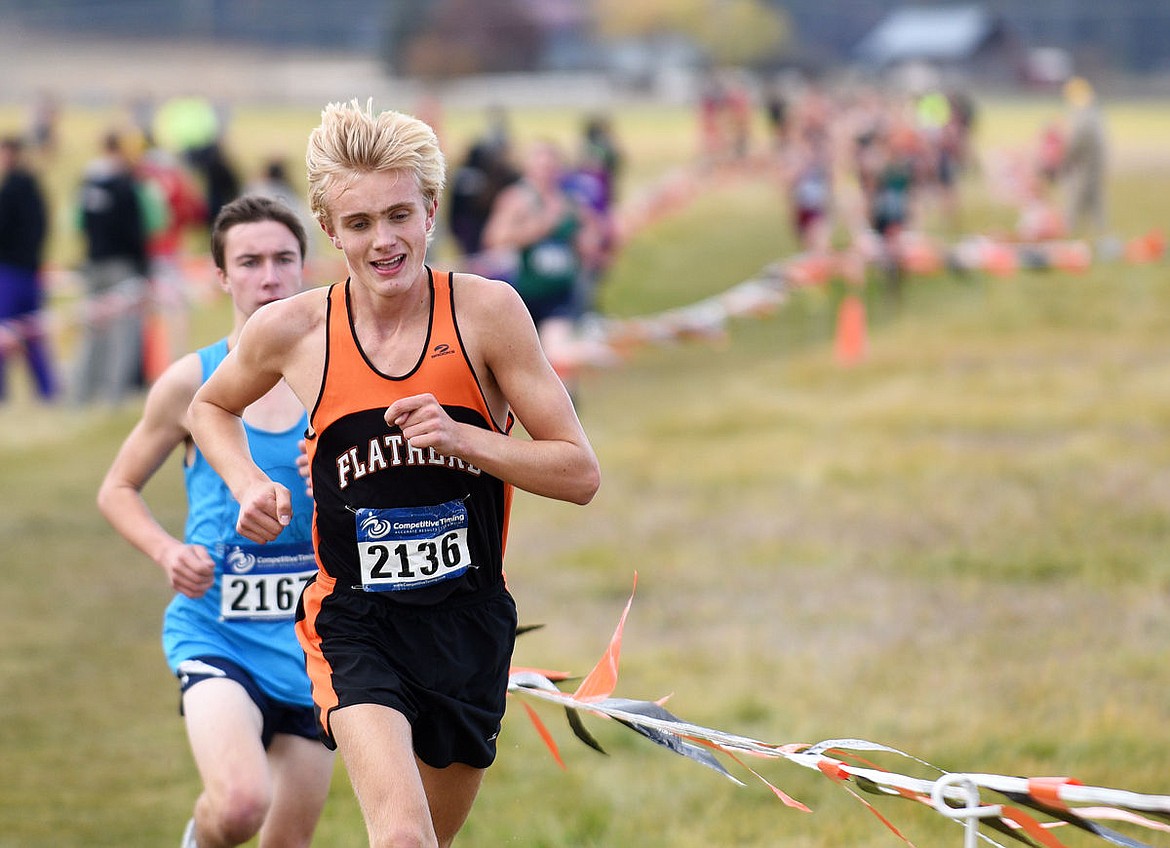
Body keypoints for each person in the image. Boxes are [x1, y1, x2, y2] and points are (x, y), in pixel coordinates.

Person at [187, 100, 600, 848]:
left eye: (400, 215)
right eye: (359, 223)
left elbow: (579, 472)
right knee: (402, 840)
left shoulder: (487, 314)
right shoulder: (295, 330)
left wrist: (467, 442)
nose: (384, 241)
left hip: (468, 622)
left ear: (432, 210)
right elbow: (209, 406)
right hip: (355, 622)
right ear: (328, 229)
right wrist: (248, 482)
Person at [97, 195, 334, 848]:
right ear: (222, 276)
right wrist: (166, 551)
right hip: (217, 628)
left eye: (283, 259)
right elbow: (117, 488)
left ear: (304, 266)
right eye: (250, 261)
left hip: (317, 641)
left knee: (285, 842)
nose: (269, 277)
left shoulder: (339, 380)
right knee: (237, 808)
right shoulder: (189, 381)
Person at [74, 129, 150, 405]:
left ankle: (82, 393)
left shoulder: (87, 185)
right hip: (122, 266)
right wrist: (144, 267)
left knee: (93, 332)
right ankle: (114, 396)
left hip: (94, 263)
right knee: (125, 333)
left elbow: (80, 224)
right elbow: (134, 229)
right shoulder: (124, 185)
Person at [0, 134, 57, 402]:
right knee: (33, 333)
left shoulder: (12, 188)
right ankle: (47, 391)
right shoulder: (32, 186)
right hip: (29, 270)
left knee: (9, 333)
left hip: (11, 271)